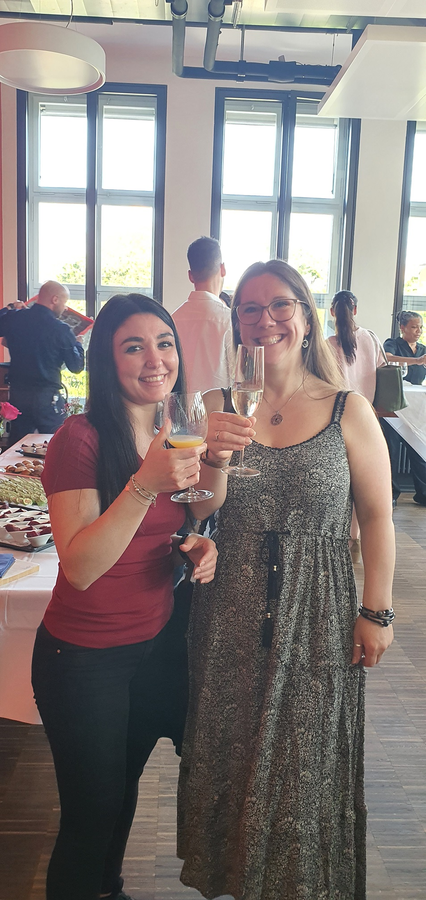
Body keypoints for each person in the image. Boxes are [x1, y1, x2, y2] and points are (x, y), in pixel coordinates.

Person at [177, 260, 395, 900]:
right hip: (230, 611)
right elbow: (199, 511)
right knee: (232, 753)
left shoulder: (348, 410)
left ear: (305, 316)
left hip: (320, 611)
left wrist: (376, 612)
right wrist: (214, 460)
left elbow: (377, 517)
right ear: (236, 321)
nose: (265, 319)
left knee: (307, 760)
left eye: (280, 305)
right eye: (249, 307)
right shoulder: (214, 405)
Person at [31, 293, 218, 900]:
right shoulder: (79, 438)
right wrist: (144, 484)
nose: (155, 359)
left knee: (121, 792)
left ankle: (106, 890)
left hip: (154, 642)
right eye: (133, 347)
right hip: (84, 657)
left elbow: (188, 515)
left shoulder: (173, 430)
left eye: (164, 343)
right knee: (90, 812)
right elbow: (81, 566)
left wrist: (193, 544)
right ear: (107, 361)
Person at [327, 289, 384, 561]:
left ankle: (344, 538)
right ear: (356, 310)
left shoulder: (329, 344)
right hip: (369, 416)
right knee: (364, 483)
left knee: (342, 481)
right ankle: (356, 538)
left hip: (338, 417)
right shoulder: (371, 338)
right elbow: (381, 370)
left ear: (332, 312)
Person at [0, 280, 84, 443]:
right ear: (55, 299)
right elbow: (76, 366)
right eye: (64, 302)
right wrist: (78, 344)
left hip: (18, 395)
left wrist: (10, 308)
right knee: (56, 444)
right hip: (47, 398)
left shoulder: (16, 318)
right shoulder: (61, 329)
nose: (65, 308)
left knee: (17, 445)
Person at [172, 236, 234, 393]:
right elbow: (238, 379)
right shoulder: (229, 319)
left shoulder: (172, 320)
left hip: (179, 407)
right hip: (220, 407)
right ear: (223, 269)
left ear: (190, 276)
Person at [381, 310, 426, 506]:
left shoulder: (423, 348)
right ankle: (390, 494)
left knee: (418, 448)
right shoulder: (392, 343)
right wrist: (416, 361)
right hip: (394, 404)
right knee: (391, 450)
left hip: (416, 406)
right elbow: (388, 358)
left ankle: (423, 493)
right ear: (402, 328)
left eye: (420, 327)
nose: (418, 331)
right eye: (414, 327)